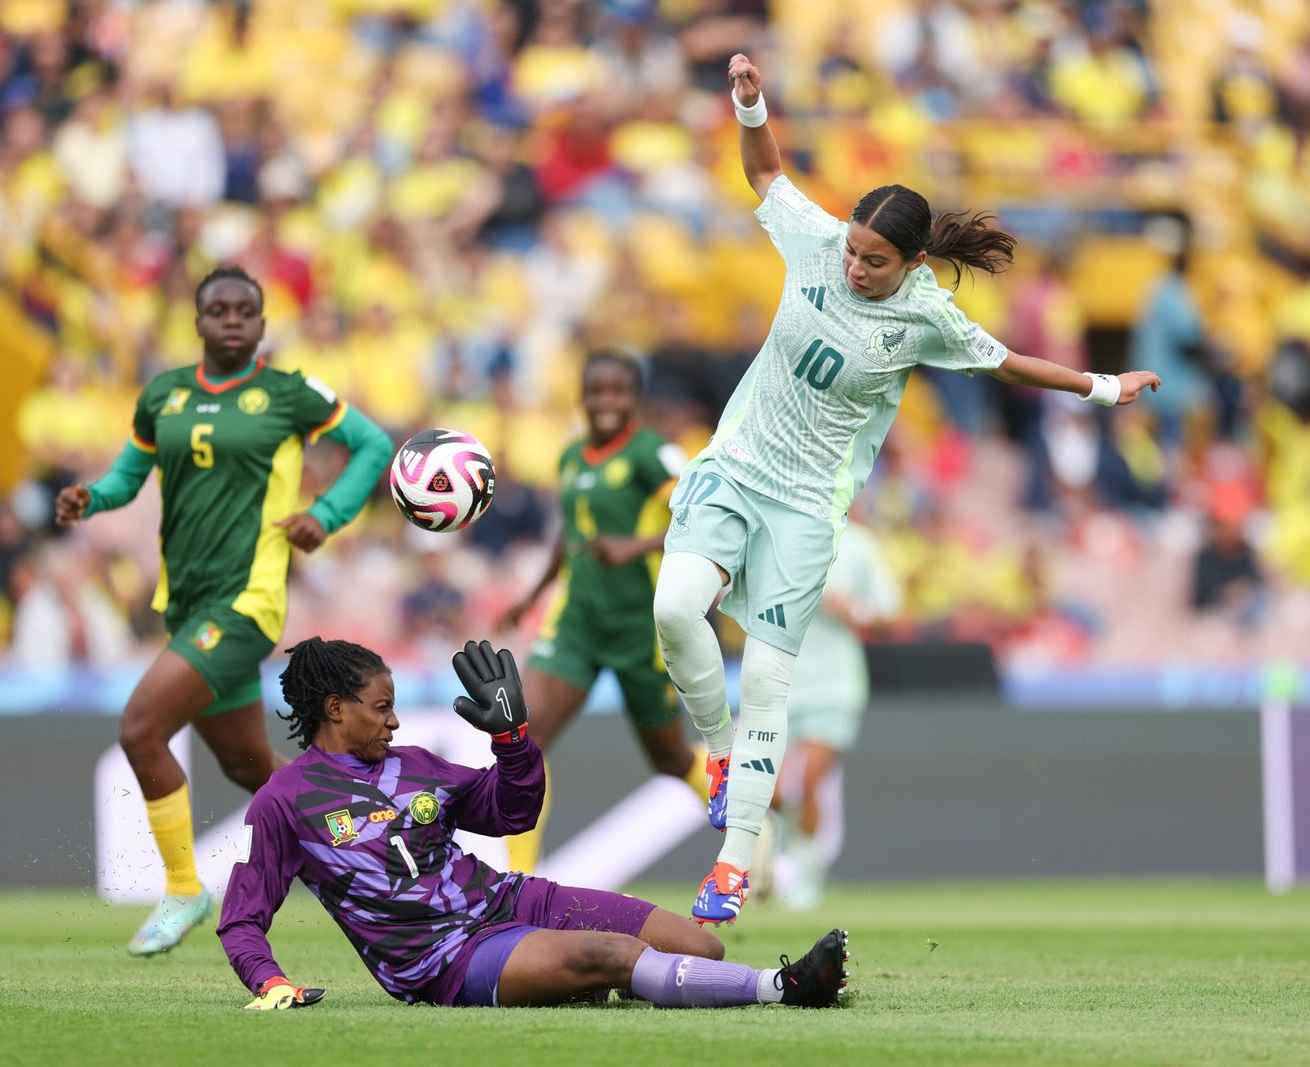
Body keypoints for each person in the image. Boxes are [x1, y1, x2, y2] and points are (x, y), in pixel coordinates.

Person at [653, 53, 1162, 925]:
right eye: (853, 250)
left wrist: (1102, 386)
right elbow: (768, 170)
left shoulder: (925, 314)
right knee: (673, 610)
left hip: (809, 508)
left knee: (771, 677)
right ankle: (721, 751)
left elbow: (1007, 364)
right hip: (735, 468)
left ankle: (737, 864)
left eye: (875, 261)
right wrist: (751, 104)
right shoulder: (816, 240)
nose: (855, 268)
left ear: (913, 261)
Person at [217, 637, 850, 1010]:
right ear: (334, 708)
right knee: (613, 952)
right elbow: (243, 916)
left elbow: (509, 811)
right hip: (446, 958)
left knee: (701, 947)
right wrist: (270, 981)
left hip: (514, 900)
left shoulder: (415, 765)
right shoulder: (284, 800)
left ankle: (591, 978)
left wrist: (512, 739)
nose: (395, 722)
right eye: (382, 709)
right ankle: (787, 987)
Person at [56, 266, 392, 956]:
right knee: (250, 769)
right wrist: (92, 495)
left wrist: (325, 516)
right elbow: (127, 475)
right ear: (199, 321)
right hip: (188, 604)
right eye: (218, 309)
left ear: (263, 325)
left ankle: (183, 886)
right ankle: (368, 845)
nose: (232, 319)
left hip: (246, 602)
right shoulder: (165, 395)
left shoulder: (287, 392)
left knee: (142, 728)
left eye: (246, 310)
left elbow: (373, 445)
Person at [499, 351, 705, 872]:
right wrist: (531, 596)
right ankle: (518, 882)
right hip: (577, 623)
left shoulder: (653, 454)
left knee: (671, 760)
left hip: (639, 625)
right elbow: (570, 535)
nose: (605, 402)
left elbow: (700, 515)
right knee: (524, 740)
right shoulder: (570, 457)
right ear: (582, 397)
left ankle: (760, 828)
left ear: (635, 399)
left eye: (617, 391)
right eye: (596, 391)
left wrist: (636, 547)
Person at [762, 518, 900, 910]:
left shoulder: (859, 543)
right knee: (770, 791)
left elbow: (891, 611)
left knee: (808, 781)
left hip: (835, 684)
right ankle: (777, 860)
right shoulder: (780, 533)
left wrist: (852, 608)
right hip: (779, 677)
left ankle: (806, 878)